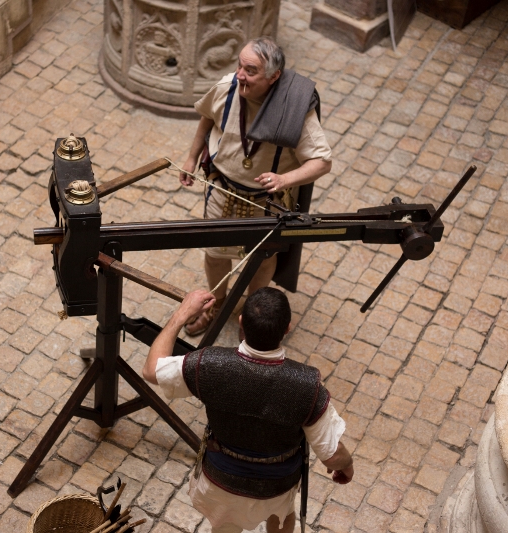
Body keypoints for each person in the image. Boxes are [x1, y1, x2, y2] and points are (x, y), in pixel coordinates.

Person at [143, 287, 354, 533]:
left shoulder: (208, 364)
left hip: (221, 481)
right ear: (287, 328)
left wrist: (181, 314)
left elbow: (151, 370)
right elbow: (332, 455)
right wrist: (347, 465)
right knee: (283, 516)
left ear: (241, 322)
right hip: (277, 486)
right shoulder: (308, 386)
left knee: (225, 527)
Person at [179, 36, 332, 336]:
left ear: (274, 76)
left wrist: (285, 179)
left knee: (262, 260)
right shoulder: (227, 87)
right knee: (215, 253)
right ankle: (215, 304)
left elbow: (322, 162)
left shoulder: (295, 108)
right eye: (239, 66)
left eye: (250, 71)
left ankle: (252, 314)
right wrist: (191, 158)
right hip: (223, 191)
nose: (240, 75)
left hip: (267, 202)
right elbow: (207, 116)